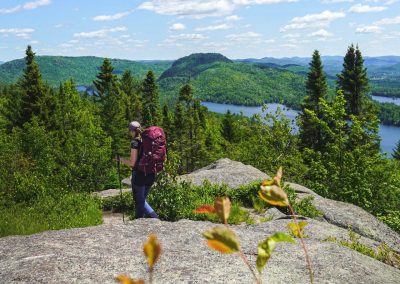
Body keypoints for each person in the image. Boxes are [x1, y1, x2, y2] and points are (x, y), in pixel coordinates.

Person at [118, 121, 159, 219]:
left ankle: (156, 219)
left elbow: (132, 163)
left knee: (140, 201)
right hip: (151, 174)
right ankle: (139, 220)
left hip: (140, 175)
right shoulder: (147, 140)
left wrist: (121, 159)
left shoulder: (135, 142)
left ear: (131, 131)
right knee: (142, 201)